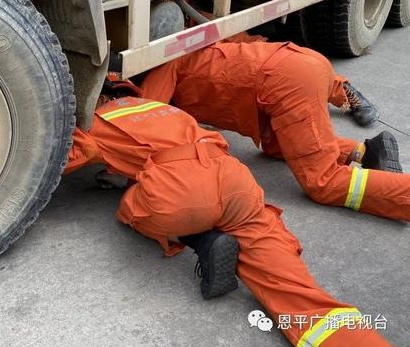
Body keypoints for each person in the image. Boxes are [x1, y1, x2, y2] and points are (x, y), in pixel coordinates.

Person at [65, 76, 394, 347]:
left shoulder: (94, 122)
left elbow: (57, 158)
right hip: (234, 178)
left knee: (131, 204)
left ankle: (205, 240)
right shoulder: (162, 109)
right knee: (298, 295)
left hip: (177, 192)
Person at [140, 41, 410, 221]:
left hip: (285, 84)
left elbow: (148, 125)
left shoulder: (160, 69)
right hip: (303, 64)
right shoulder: (193, 46)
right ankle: (366, 152)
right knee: (275, 145)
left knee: (323, 182)